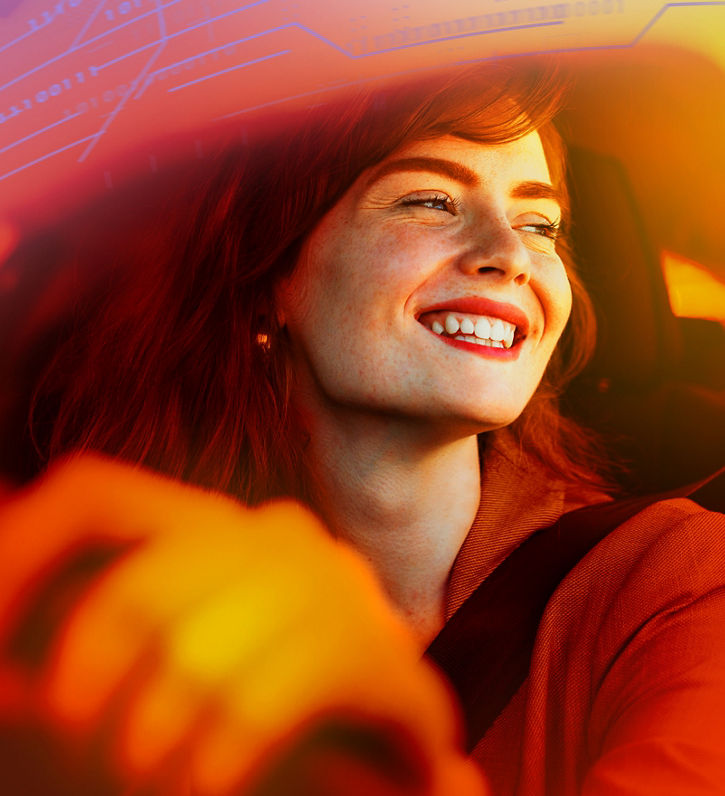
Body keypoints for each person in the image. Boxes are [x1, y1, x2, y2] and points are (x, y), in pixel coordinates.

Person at [0, 61, 724, 795]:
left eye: (539, 224)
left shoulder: (678, 577)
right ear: (270, 275)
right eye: (430, 201)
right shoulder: (123, 611)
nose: (510, 256)